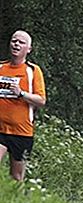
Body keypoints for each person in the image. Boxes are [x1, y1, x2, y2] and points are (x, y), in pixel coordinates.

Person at [0, 30, 46, 181]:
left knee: (16, 178)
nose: (16, 44)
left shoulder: (32, 71)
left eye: (21, 42)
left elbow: (41, 100)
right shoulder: (1, 68)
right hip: (1, 128)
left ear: (29, 49)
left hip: (21, 131)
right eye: (14, 41)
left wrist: (21, 94)